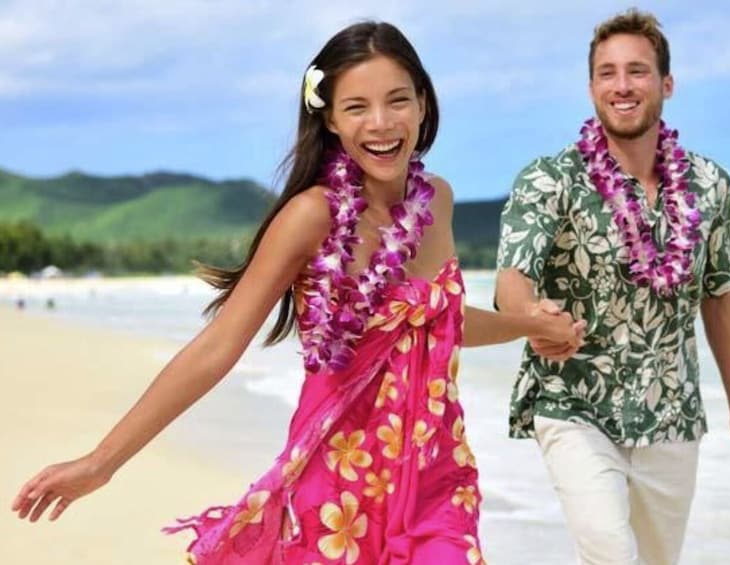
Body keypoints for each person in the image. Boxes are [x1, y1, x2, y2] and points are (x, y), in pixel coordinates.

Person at [10, 21, 580, 564]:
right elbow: (218, 346)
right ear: (330, 119)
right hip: (335, 491)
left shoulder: (439, 200)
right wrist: (101, 463)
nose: (381, 122)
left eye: (398, 99)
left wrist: (531, 325)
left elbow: (438, 323)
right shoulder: (311, 217)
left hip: (436, 479)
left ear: (423, 104)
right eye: (357, 106)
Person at [494, 9, 730, 565]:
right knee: (609, 551)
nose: (622, 86)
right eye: (607, 73)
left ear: (666, 84)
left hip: (671, 411)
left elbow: (718, 292)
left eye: (637, 71)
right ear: (592, 86)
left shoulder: (711, 185)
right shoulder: (551, 179)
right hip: (575, 403)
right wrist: (532, 320)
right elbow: (512, 279)